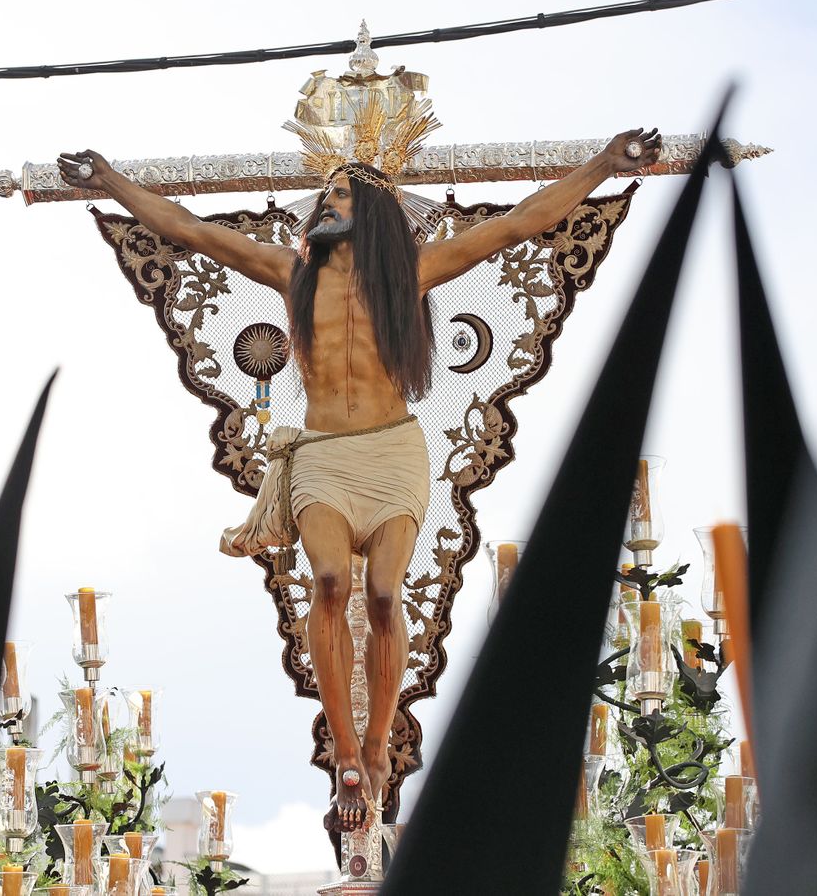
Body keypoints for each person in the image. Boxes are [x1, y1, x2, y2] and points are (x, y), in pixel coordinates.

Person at [58, 128, 662, 831]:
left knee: (382, 595)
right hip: (321, 454)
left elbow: (520, 223)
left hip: (391, 451)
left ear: (370, 212)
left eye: (341, 195)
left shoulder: (410, 274)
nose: (326, 203)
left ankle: (379, 743)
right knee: (328, 583)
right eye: (326, 194)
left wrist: (604, 164)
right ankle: (345, 749)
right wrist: (109, 180)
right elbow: (190, 230)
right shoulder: (291, 274)